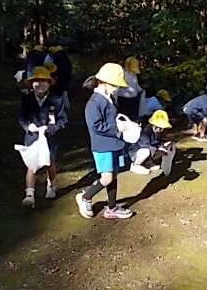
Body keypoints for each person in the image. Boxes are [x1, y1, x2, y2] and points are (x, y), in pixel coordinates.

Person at [75, 63, 134, 220]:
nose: (117, 88)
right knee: (106, 177)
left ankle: (112, 207)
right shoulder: (94, 102)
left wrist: (126, 126)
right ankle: (85, 197)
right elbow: (96, 126)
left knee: (113, 175)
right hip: (102, 146)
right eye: (115, 85)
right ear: (104, 82)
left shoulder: (109, 98)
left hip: (114, 143)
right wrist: (118, 128)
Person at [18, 66, 68, 208]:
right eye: (37, 81)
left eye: (44, 81)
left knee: (50, 162)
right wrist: (28, 126)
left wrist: (50, 128)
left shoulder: (57, 100)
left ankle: (51, 185)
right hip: (32, 136)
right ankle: (29, 195)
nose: (40, 84)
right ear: (31, 83)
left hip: (50, 137)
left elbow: (63, 120)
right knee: (31, 165)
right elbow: (22, 117)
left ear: (49, 83)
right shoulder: (27, 99)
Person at [128, 110, 173, 174]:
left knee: (161, 149)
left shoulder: (157, 132)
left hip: (148, 150)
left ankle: (147, 163)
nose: (159, 130)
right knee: (146, 151)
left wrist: (163, 144)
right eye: (157, 127)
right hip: (136, 152)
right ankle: (135, 165)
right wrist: (158, 148)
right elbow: (145, 145)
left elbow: (156, 142)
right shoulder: (144, 131)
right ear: (152, 125)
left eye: (162, 128)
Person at [117, 56, 143, 121]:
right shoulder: (122, 74)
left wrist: (141, 90)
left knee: (133, 118)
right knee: (124, 118)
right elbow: (118, 87)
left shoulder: (134, 74)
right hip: (123, 100)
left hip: (134, 100)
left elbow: (135, 85)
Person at [48, 45, 73, 110]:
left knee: (59, 94)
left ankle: (62, 106)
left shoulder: (56, 58)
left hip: (59, 79)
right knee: (65, 92)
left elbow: (54, 69)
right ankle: (66, 106)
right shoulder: (66, 59)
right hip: (66, 79)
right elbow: (70, 68)